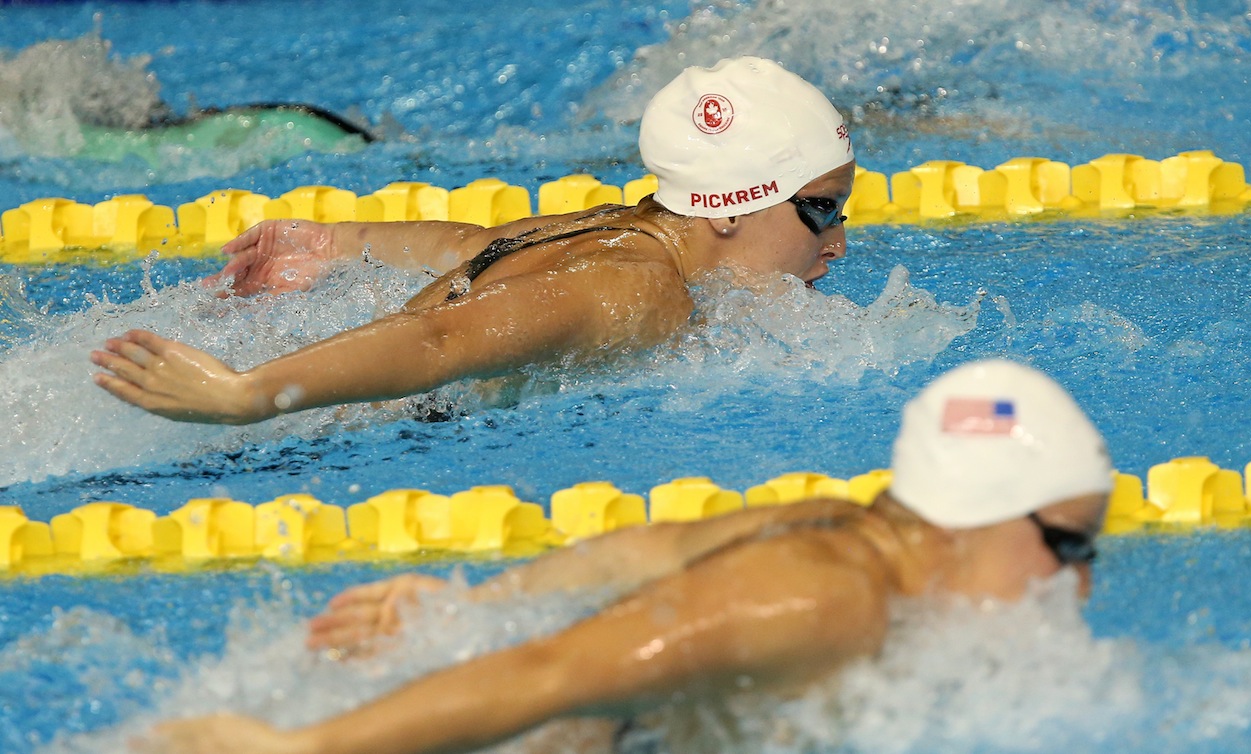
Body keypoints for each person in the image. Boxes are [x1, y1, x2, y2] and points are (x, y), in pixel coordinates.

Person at [141, 359, 1115, 754]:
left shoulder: (842, 524)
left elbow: (649, 547)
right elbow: (554, 670)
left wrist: (467, 603)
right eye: (1067, 544)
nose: (1078, 580)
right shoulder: (819, 599)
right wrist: (304, 751)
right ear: (970, 516)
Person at [90, 56, 856, 425]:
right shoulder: (640, 289)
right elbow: (437, 342)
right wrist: (245, 393)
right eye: (821, 211)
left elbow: (473, 243)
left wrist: (336, 241)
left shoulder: (616, 230)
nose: (838, 244)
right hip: (333, 432)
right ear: (729, 207)